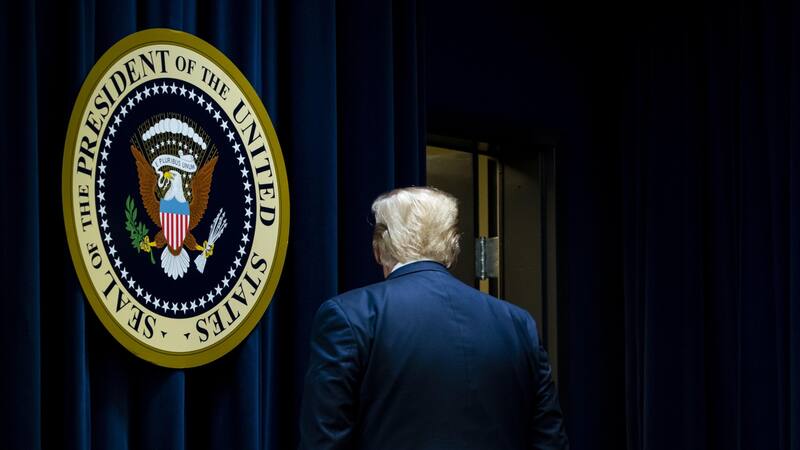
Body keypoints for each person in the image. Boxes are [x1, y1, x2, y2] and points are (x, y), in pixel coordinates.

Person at [299, 187, 569, 450]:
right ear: (453, 246)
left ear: (379, 246)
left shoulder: (349, 316)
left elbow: (324, 440)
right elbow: (550, 441)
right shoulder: (517, 324)